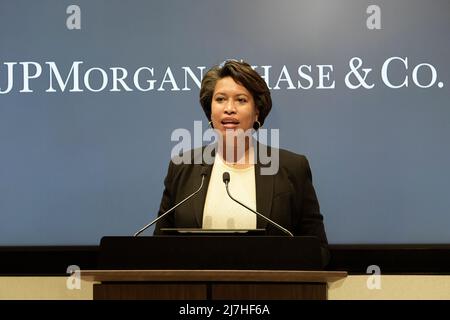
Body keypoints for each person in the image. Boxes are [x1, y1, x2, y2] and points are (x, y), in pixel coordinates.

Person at [153, 60, 329, 265]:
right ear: (210, 111)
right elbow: (158, 249)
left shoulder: (291, 168)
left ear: (257, 112)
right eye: (220, 99)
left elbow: (319, 250)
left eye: (241, 100)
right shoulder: (183, 167)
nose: (229, 108)